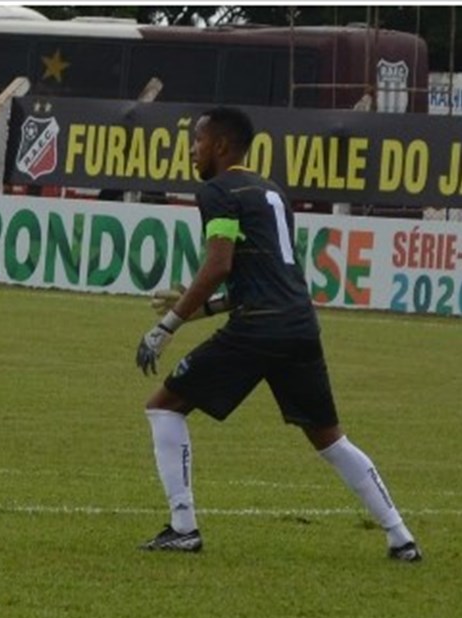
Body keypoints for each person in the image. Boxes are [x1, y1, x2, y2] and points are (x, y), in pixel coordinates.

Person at [134, 106, 421, 562]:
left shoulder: (217, 191)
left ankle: (183, 528)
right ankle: (400, 536)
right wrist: (194, 308)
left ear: (221, 146)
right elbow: (257, 282)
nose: (192, 151)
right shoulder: (271, 192)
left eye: (198, 141)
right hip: (297, 324)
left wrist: (166, 328)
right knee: (330, 438)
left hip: (258, 328)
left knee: (164, 407)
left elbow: (219, 265)